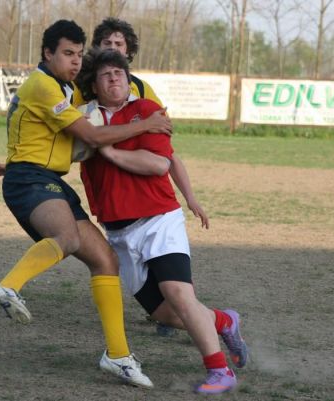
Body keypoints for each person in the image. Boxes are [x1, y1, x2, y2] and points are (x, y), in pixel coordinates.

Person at [0, 19, 172, 389]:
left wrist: (17, 157)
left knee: (106, 260)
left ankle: (118, 356)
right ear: (47, 53)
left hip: (45, 178)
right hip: (32, 181)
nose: (74, 61)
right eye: (67, 53)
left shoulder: (61, 87)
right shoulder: (43, 85)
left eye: (78, 54)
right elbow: (90, 135)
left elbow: (59, 142)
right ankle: (8, 286)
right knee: (67, 238)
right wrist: (145, 125)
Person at [76, 48, 248, 394]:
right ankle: (223, 320)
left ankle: (220, 370)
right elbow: (58, 150)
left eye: (120, 73)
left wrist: (107, 149)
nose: (114, 78)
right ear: (94, 84)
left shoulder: (147, 111)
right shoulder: (85, 119)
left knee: (178, 293)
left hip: (158, 219)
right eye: (106, 74)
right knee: (164, 313)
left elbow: (157, 164)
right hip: (118, 232)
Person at [86, 16, 210, 337]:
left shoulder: (142, 95)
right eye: (107, 44)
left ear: (129, 53)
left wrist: (190, 196)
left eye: (119, 45)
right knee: (167, 305)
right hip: (114, 214)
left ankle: (196, 321)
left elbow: (165, 157)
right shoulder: (82, 95)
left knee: (177, 292)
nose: (113, 49)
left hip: (153, 209)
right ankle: (186, 318)